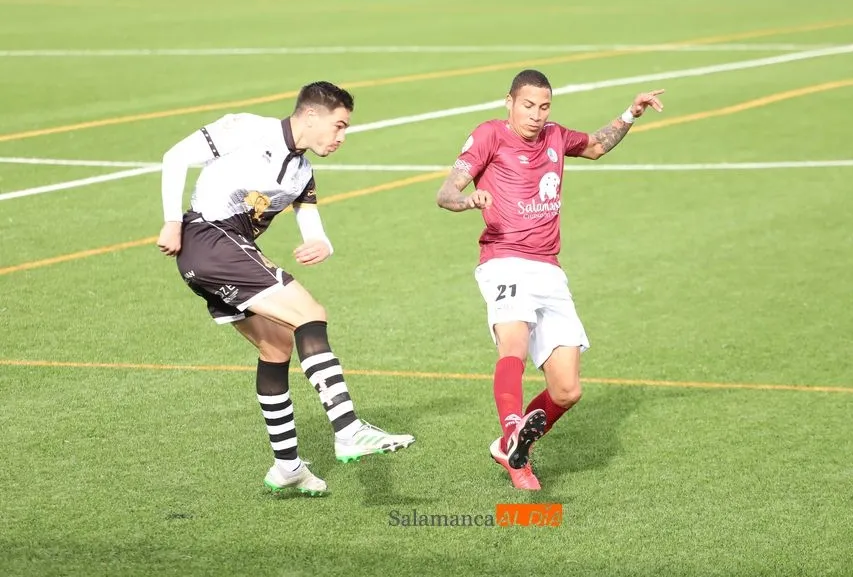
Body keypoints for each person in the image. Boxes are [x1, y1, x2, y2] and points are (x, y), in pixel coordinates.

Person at [157, 81, 414, 497]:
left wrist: (322, 243)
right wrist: (172, 221)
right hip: (210, 239)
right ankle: (348, 430)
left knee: (276, 346)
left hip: (216, 253)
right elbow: (175, 156)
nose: (341, 137)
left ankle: (288, 466)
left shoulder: (302, 171)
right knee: (310, 314)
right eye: (339, 126)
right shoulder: (246, 128)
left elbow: (310, 221)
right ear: (311, 115)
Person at [435, 70, 664, 491]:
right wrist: (468, 200)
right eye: (528, 105)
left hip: (548, 269)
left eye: (543, 107)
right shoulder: (489, 135)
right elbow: (446, 192)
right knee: (514, 345)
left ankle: (510, 447)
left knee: (567, 390)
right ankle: (512, 432)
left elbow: (596, 146)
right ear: (509, 102)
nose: (536, 115)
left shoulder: (555, 136)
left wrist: (631, 113)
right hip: (504, 260)